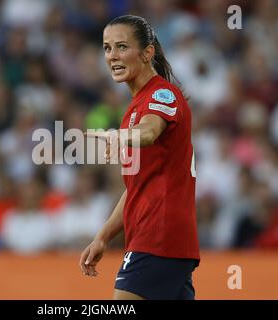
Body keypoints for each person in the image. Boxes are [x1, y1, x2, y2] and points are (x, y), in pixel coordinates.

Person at [79, 15, 200, 300]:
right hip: (163, 238)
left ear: (148, 53)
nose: (112, 56)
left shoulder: (162, 95)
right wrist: (103, 237)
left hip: (158, 235)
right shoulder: (134, 108)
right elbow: (136, 188)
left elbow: (149, 132)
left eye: (122, 47)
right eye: (107, 48)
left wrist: (120, 136)